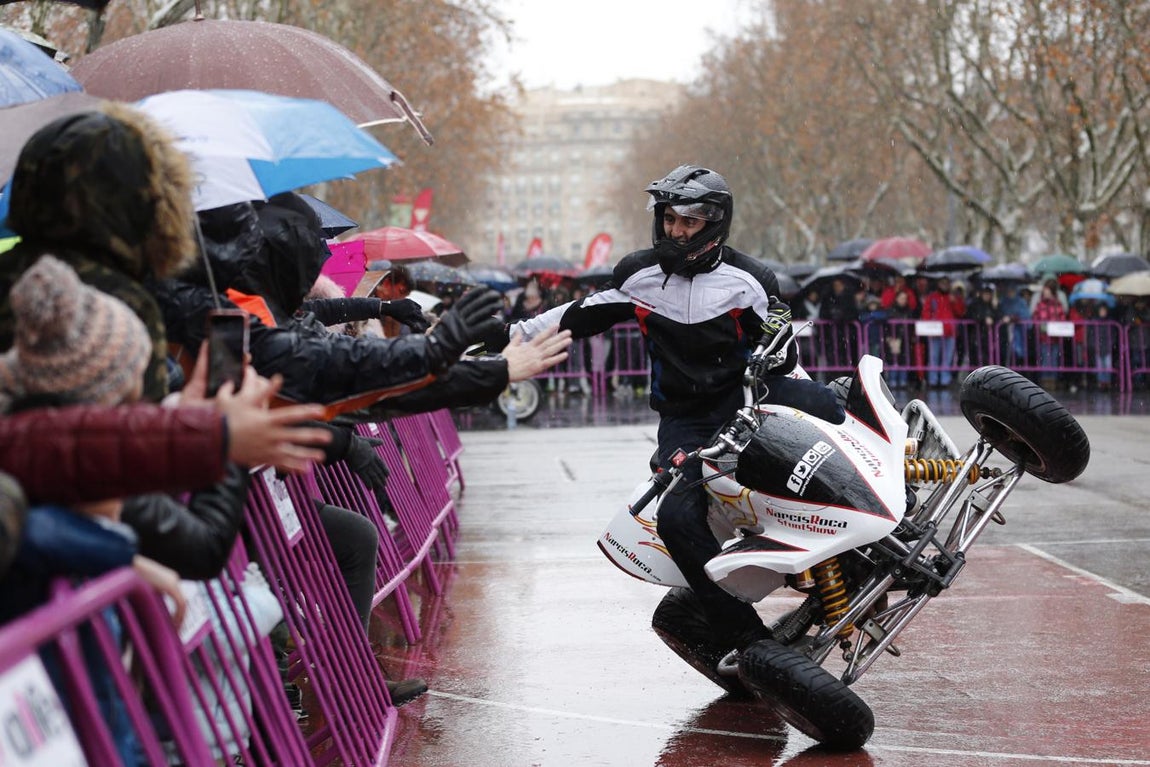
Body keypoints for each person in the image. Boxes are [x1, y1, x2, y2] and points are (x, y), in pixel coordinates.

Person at [503, 165, 842, 667]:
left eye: (689, 223)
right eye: (670, 221)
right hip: (688, 422)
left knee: (835, 407)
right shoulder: (637, 276)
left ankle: (891, 517)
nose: (677, 232)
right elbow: (567, 318)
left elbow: (785, 358)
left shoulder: (753, 280)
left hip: (751, 399)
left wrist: (811, 403)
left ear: (715, 223)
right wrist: (494, 338)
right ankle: (749, 640)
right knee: (677, 518)